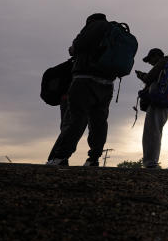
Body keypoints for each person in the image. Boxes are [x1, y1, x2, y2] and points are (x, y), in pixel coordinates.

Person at [46, 13, 116, 167]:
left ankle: (60, 157)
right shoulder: (115, 31)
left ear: (90, 21)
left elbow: (76, 47)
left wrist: (73, 47)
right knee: (99, 122)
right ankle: (93, 159)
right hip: (107, 84)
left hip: (85, 80)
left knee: (77, 119)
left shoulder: (94, 26)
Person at [135, 47, 168, 169]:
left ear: (156, 56)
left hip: (157, 103)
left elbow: (148, 78)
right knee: (155, 131)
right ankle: (151, 161)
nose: (149, 63)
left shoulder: (162, 63)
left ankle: (151, 162)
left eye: (150, 59)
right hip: (165, 104)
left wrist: (140, 74)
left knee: (151, 132)